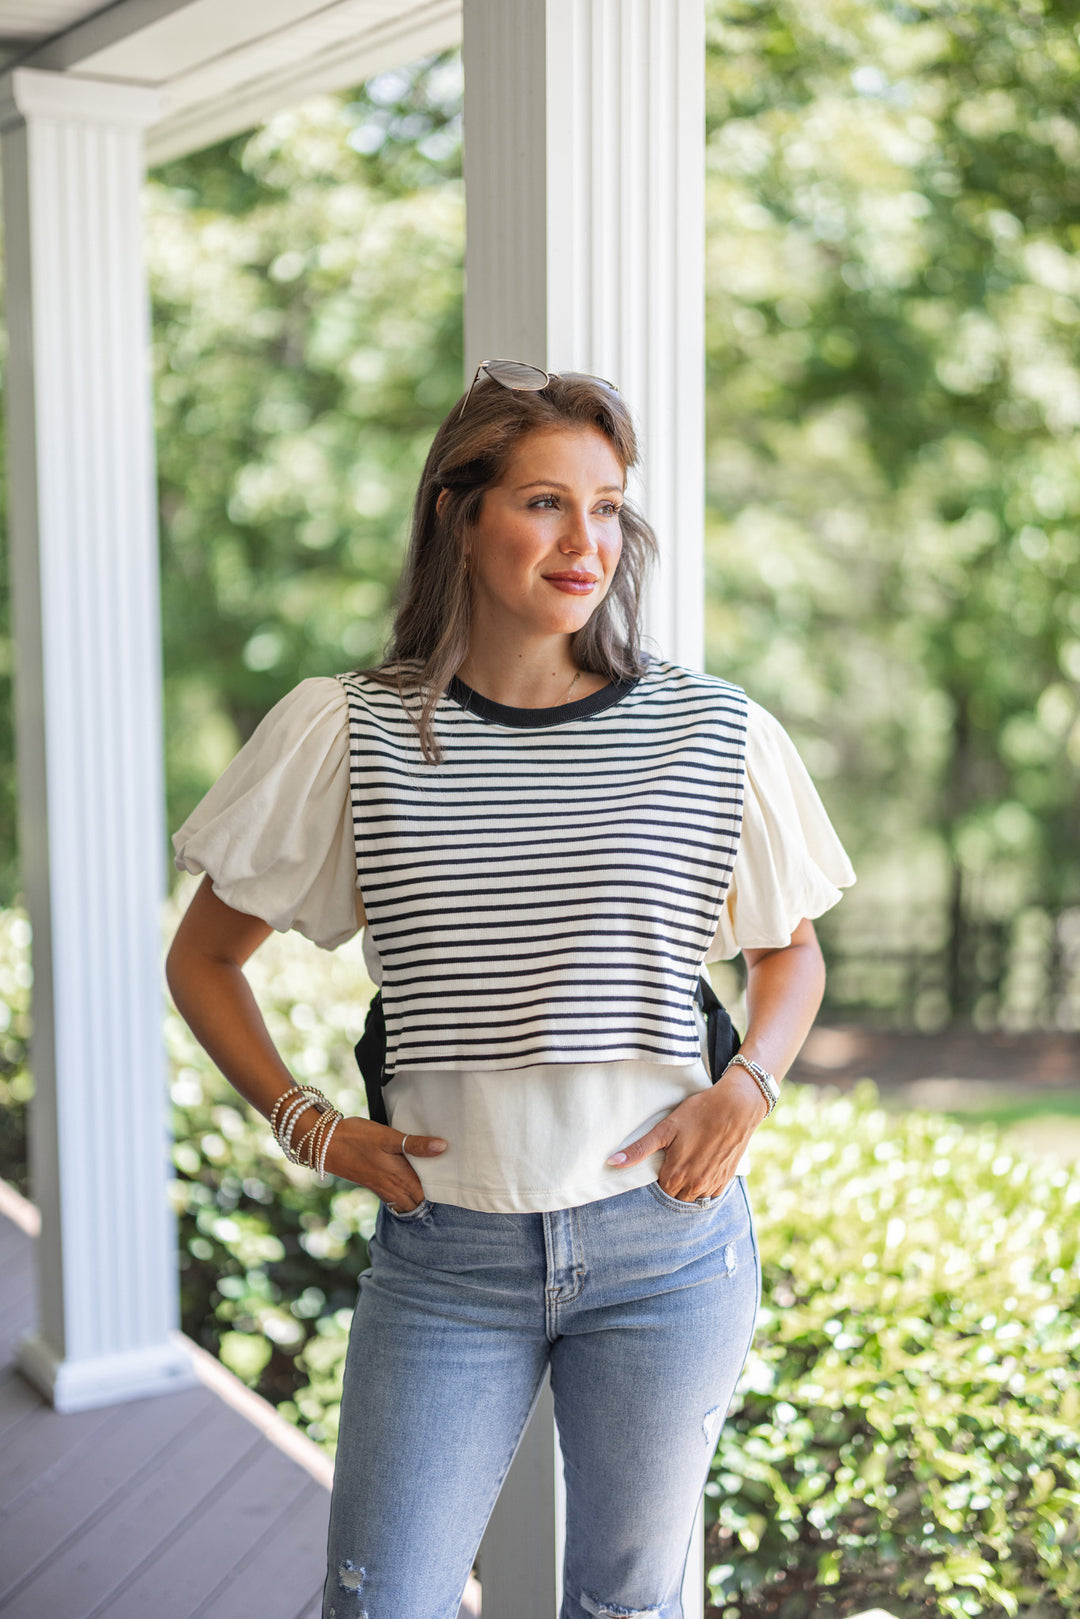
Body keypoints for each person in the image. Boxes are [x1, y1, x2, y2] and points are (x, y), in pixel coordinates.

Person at [166, 359, 855, 1619]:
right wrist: (308, 1122)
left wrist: (747, 1087)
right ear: (458, 511)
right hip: (448, 1256)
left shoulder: (713, 731)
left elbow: (789, 948)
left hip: (668, 1249)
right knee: (381, 1600)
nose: (585, 539)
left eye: (607, 505)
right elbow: (202, 958)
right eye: (544, 501)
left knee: (626, 1606)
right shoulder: (350, 731)